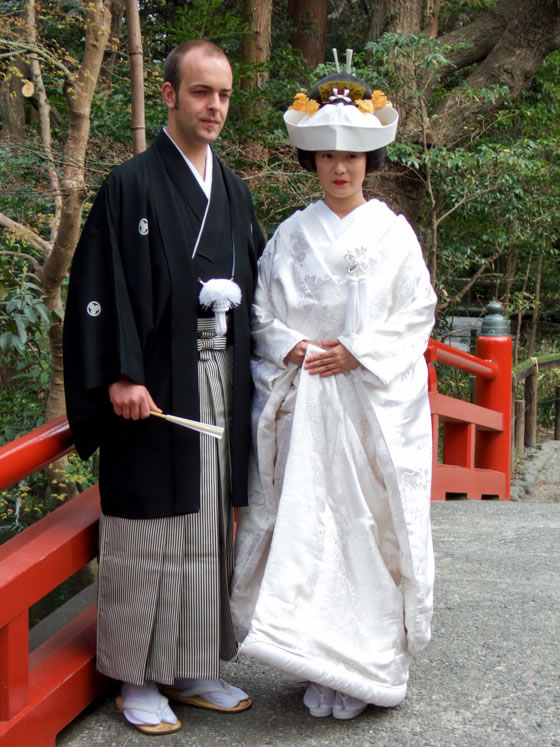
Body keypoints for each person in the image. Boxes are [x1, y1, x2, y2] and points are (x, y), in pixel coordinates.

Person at [63, 40, 265, 735]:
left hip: (219, 375)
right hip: (151, 388)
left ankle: (192, 662)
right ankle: (135, 675)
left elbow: (264, 285)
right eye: (202, 91)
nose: (215, 107)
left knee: (209, 521)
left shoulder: (234, 190)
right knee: (150, 531)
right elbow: (99, 286)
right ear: (171, 94)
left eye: (225, 95)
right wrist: (120, 372)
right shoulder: (131, 184)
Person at [230, 64, 437, 721]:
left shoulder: (393, 234)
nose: (340, 168)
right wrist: (295, 347)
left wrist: (360, 351)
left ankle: (371, 662)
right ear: (312, 160)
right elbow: (261, 315)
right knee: (313, 531)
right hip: (309, 407)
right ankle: (315, 653)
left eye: (350, 156)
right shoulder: (290, 236)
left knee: (371, 531)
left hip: (369, 407)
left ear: (367, 160)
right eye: (327, 156)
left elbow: (415, 312)